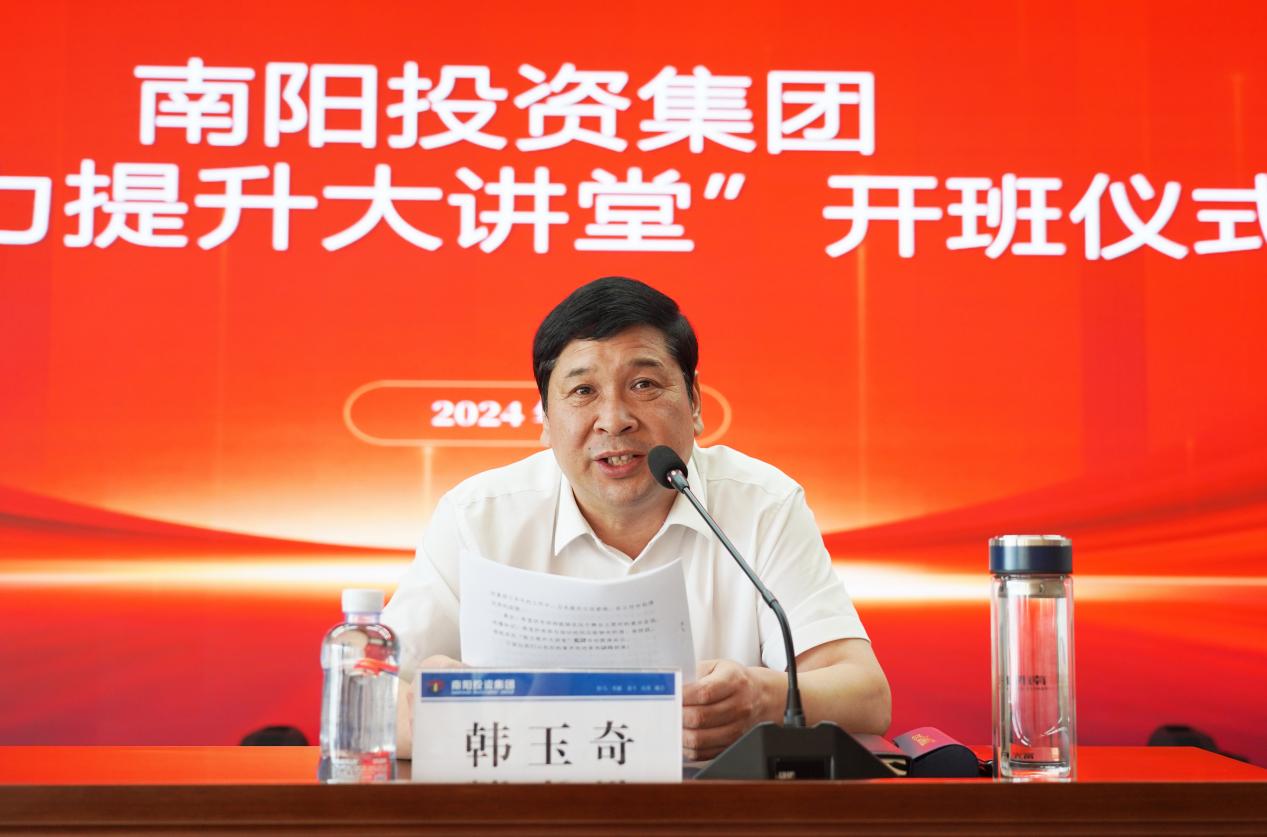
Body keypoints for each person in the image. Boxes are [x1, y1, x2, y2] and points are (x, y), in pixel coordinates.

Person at [382, 276, 889, 760]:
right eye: (583, 392)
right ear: (545, 419)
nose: (614, 420)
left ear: (694, 402)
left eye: (644, 384)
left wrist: (761, 699)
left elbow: (866, 697)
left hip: (716, 808)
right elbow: (369, 697)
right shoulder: (477, 517)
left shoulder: (762, 505)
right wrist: (433, 710)